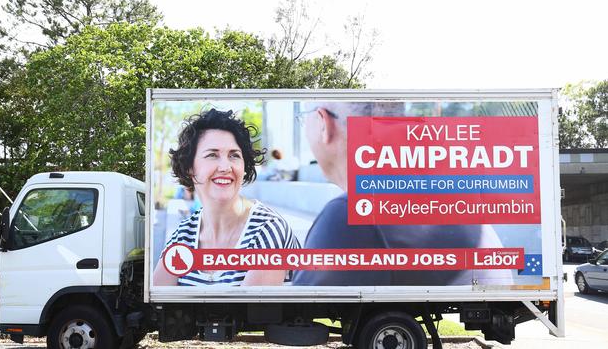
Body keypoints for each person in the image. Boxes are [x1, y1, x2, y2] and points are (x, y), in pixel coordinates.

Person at [292, 102, 512, 286]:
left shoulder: (350, 217)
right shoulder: (439, 194)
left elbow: (300, 307)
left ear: (324, 123)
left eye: (304, 119)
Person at [153, 108, 300, 286]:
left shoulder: (268, 230)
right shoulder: (183, 235)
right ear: (189, 167)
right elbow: (157, 306)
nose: (225, 166)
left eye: (234, 155)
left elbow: (250, 313)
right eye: (212, 155)